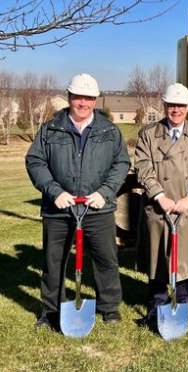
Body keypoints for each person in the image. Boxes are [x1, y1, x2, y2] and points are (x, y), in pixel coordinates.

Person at [26, 73, 130, 329]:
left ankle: (109, 308)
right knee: (54, 261)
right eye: (77, 97)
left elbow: (121, 163)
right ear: (70, 97)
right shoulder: (50, 128)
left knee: (105, 259)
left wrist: (105, 192)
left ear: (95, 100)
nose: (82, 103)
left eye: (88, 98)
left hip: (98, 208)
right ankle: (51, 311)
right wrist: (54, 191)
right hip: (58, 208)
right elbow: (35, 161)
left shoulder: (109, 130)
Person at [134, 83, 188, 326]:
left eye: (181, 105)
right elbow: (143, 168)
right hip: (159, 207)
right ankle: (157, 303)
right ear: (164, 105)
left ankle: (183, 301)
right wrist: (160, 196)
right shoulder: (148, 135)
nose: (176, 110)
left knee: (186, 258)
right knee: (158, 256)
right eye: (172, 105)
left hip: (187, 208)